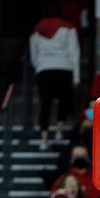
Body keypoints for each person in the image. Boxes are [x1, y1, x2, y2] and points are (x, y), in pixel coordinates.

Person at [29, 8, 80, 150]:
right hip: (64, 67)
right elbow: (74, 52)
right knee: (65, 100)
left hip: (44, 69)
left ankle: (44, 138)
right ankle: (59, 128)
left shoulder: (37, 30)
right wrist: (76, 75)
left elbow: (33, 54)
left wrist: (38, 66)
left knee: (45, 103)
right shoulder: (68, 28)